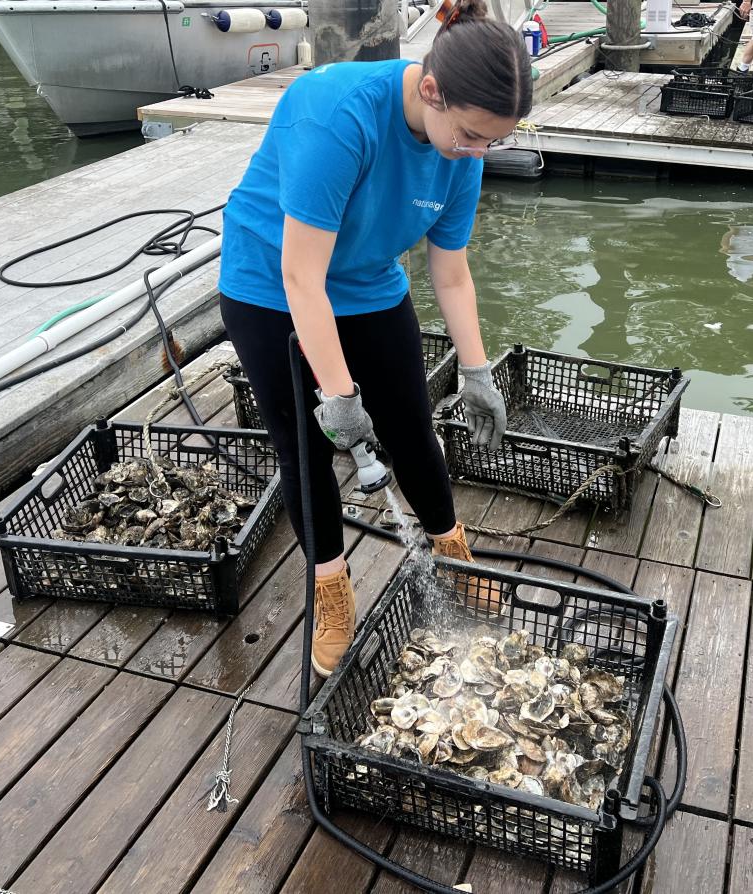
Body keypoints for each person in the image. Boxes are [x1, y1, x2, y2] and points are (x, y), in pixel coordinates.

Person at [217, 0, 530, 677]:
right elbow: (301, 277)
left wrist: (477, 373)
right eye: (473, 135)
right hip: (272, 285)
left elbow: (450, 274)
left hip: (367, 282)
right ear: (429, 91)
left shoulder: (465, 148)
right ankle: (332, 589)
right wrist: (338, 394)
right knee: (305, 447)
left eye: (492, 141)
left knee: (413, 429)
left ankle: (453, 551)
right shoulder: (339, 115)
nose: (479, 153)